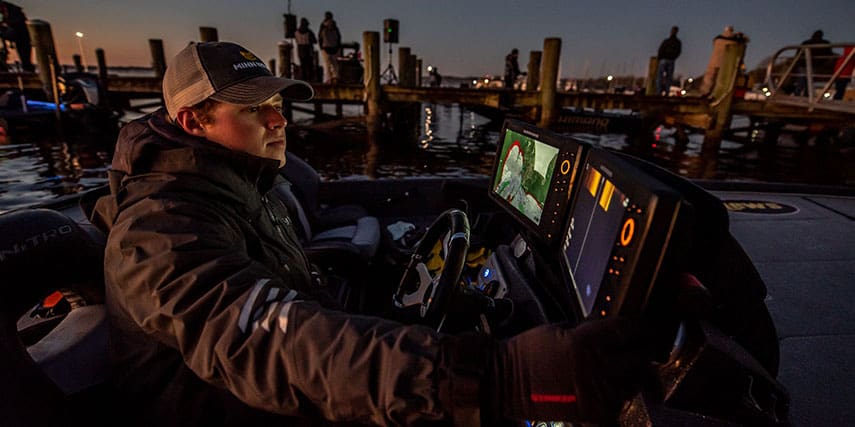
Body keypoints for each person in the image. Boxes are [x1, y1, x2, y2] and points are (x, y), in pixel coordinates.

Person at [90, 40, 655, 426]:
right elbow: (275, 344)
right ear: (193, 122)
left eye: (277, 103)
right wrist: (494, 375)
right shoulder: (160, 232)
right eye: (254, 108)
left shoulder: (240, 183)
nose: (279, 119)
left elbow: (298, 298)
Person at [699, 26, 748, 96]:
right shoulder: (735, 41)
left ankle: (704, 93)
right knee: (722, 80)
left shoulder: (717, 39)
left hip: (714, 61)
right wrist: (739, 36)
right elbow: (744, 43)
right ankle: (719, 94)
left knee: (709, 78)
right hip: (726, 63)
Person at [792, 30, 833, 96]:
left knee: (803, 80)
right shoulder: (824, 43)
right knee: (807, 81)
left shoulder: (806, 42)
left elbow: (798, 53)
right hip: (810, 65)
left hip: (807, 64)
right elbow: (828, 54)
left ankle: (800, 95)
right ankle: (805, 95)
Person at [0, 1, 34, 72]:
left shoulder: (12, 11)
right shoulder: (8, 9)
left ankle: (28, 69)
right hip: (18, 32)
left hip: (21, 34)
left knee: (25, 58)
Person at [656, 26, 681, 96]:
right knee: (668, 77)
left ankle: (659, 92)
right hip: (671, 60)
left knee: (660, 77)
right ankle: (666, 92)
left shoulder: (667, 41)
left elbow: (660, 49)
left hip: (664, 60)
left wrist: (660, 58)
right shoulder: (677, 42)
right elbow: (678, 51)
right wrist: (673, 57)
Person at [318, 11, 341, 84]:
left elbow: (320, 37)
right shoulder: (335, 27)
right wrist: (338, 47)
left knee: (327, 65)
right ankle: (336, 78)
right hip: (334, 48)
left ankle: (328, 79)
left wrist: (321, 47)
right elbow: (339, 38)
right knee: (335, 65)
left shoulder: (323, 27)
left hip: (326, 47)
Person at [294, 18, 317, 82]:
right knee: (310, 66)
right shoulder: (309, 32)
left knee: (303, 66)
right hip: (308, 50)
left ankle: (304, 80)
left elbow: (296, 40)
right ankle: (310, 80)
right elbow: (315, 41)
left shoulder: (296, 32)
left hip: (300, 51)